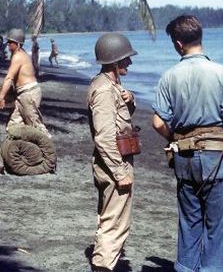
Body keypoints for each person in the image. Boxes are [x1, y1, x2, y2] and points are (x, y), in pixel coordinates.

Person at [151, 15, 223, 271]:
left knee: (189, 222)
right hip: (216, 158)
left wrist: (178, 140)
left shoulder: (168, 76)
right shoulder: (220, 73)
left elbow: (158, 123)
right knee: (218, 226)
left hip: (184, 159)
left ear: (178, 44)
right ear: (199, 39)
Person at [87, 33, 138, 271]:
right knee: (115, 223)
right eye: (125, 59)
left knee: (110, 217)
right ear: (115, 62)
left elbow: (120, 118)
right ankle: (102, 266)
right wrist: (120, 172)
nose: (129, 63)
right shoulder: (105, 90)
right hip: (114, 162)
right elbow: (105, 137)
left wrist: (130, 99)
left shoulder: (111, 86)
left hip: (113, 159)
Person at [0, 28, 50, 137]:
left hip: (29, 93)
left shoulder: (18, 56)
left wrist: (1, 97)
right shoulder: (19, 54)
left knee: (36, 126)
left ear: (18, 44)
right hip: (23, 94)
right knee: (13, 125)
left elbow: (9, 78)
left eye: (10, 42)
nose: (8, 45)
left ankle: (47, 150)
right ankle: (18, 150)